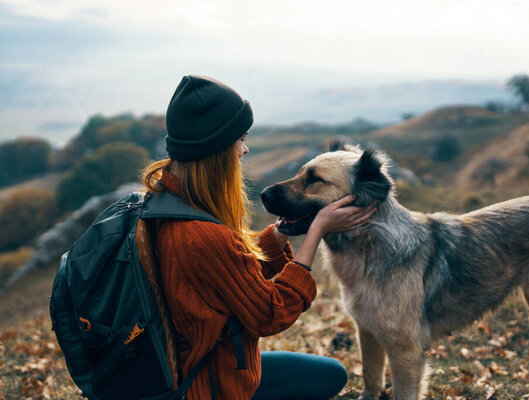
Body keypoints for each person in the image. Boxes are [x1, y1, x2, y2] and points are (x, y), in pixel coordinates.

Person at [141, 75, 376, 400]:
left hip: (182, 370)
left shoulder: (163, 203)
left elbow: (229, 270)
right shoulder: (201, 235)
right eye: (240, 139)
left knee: (329, 374)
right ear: (217, 148)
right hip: (207, 387)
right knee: (330, 376)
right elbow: (271, 312)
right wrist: (317, 228)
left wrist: (281, 232)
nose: (245, 148)